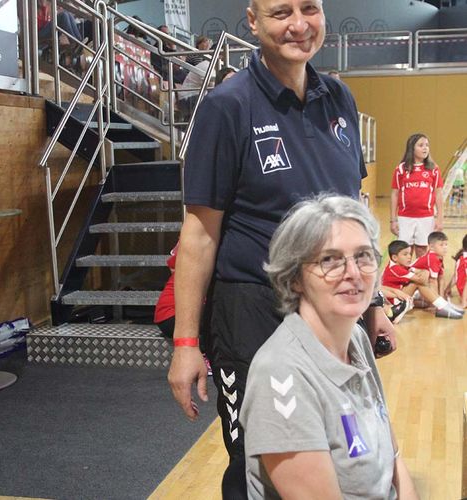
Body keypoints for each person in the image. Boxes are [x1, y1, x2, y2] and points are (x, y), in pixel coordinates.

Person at [167, 0, 396, 493]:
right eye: (280, 12)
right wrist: (186, 344)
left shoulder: (339, 98)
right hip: (253, 311)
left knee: (338, 450)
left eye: (309, 8)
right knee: (258, 463)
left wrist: (372, 302)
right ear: (253, 22)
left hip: (330, 311)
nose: (298, 25)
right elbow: (199, 235)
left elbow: (352, 214)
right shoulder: (227, 107)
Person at [239, 195, 418, 499]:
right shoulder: (280, 373)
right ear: (294, 278)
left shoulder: (357, 339)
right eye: (329, 260)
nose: (353, 272)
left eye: (363, 256)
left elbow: (394, 459)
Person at [154, 242, 212, 375]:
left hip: (167, 316)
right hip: (171, 315)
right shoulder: (198, 254)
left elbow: (172, 264)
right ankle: (204, 357)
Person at [390, 133, 444, 258]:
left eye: (427, 145)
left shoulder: (434, 169)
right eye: (421, 145)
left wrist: (440, 218)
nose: (425, 148)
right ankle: (405, 272)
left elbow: (438, 194)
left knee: (422, 251)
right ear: (411, 148)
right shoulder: (401, 169)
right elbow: (395, 194)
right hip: (405, 217)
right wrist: (393, 220)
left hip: (426, 217)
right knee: (405, 252)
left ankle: (420, 271)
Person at [381, 240, 463, 319]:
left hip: (400, 296)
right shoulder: (395, 268)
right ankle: (442, 306)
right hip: (394, 303)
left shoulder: (401, 265)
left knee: (425, 300)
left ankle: (443, 305)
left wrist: (425, 272)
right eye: (405, 254)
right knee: (416, 283)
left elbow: (423, 272)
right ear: (394, 257)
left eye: (409, 253)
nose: (409, 257)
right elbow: (422, 280)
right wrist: (424, 273)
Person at [411, 231, 448, 296]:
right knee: (430, 277)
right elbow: (433, 281)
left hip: (418, 280)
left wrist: (441, 297)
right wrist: (437, 300)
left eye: (446, 244)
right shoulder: (432, 257)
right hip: (410, 281)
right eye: (441, 245)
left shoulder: (439, 256)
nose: (445, 247)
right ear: (431, 247)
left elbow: (441, 277)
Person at [445, 234, 467, 309]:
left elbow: (455, 277)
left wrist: (447, 289)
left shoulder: (460, 258)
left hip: (462, 293)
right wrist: (463, 302)